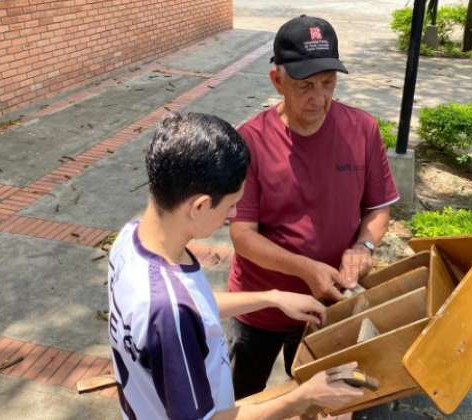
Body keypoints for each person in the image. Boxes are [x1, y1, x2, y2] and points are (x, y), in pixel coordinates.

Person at [107, 112, 363, 419]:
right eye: (231, 204)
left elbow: (194, 305)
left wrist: (271, 298)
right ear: (200, 205)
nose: (235, 213)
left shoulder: (131, 239)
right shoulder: (169, 312)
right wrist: (303, 397)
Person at [227, 15, 400, 399]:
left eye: (328, 84)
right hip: (262, 304)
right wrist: (306, 270)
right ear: (277, 80)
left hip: (329, 305)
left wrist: (363, 246)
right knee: (242, 396)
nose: (319, 99)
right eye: (305, 86)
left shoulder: (363, 129)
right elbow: (242, 236)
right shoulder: (250, 140)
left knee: (314, 396)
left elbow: (378, 209)